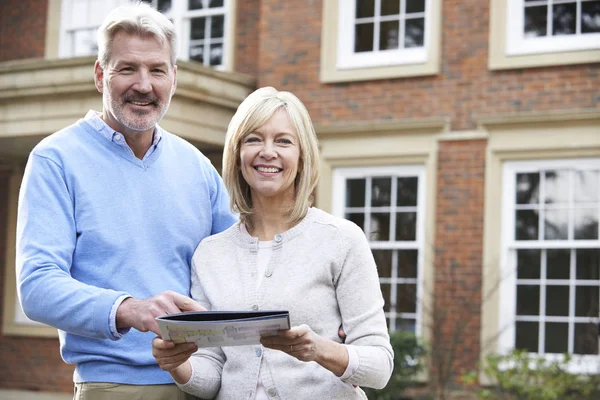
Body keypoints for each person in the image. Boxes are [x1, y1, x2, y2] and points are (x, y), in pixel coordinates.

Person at [16, 3, 236, 399]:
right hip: (114, 386)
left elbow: (238, 268)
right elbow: (36, 287)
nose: (144, 84)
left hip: (203, 382)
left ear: (174, 78)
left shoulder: (198, 167)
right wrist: (130, 308)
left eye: (156, 70)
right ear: (101, 75)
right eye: (127, 68)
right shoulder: (55, 160)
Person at [152, 87, 394, 399]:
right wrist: (178, 364)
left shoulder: (341, 240)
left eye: (283, 141)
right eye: (254, 139)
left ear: (302, 154)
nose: (268, 151)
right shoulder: (210, 254)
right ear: (238, 155)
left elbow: (380, 367)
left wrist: (319, 350)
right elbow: (212, 374)